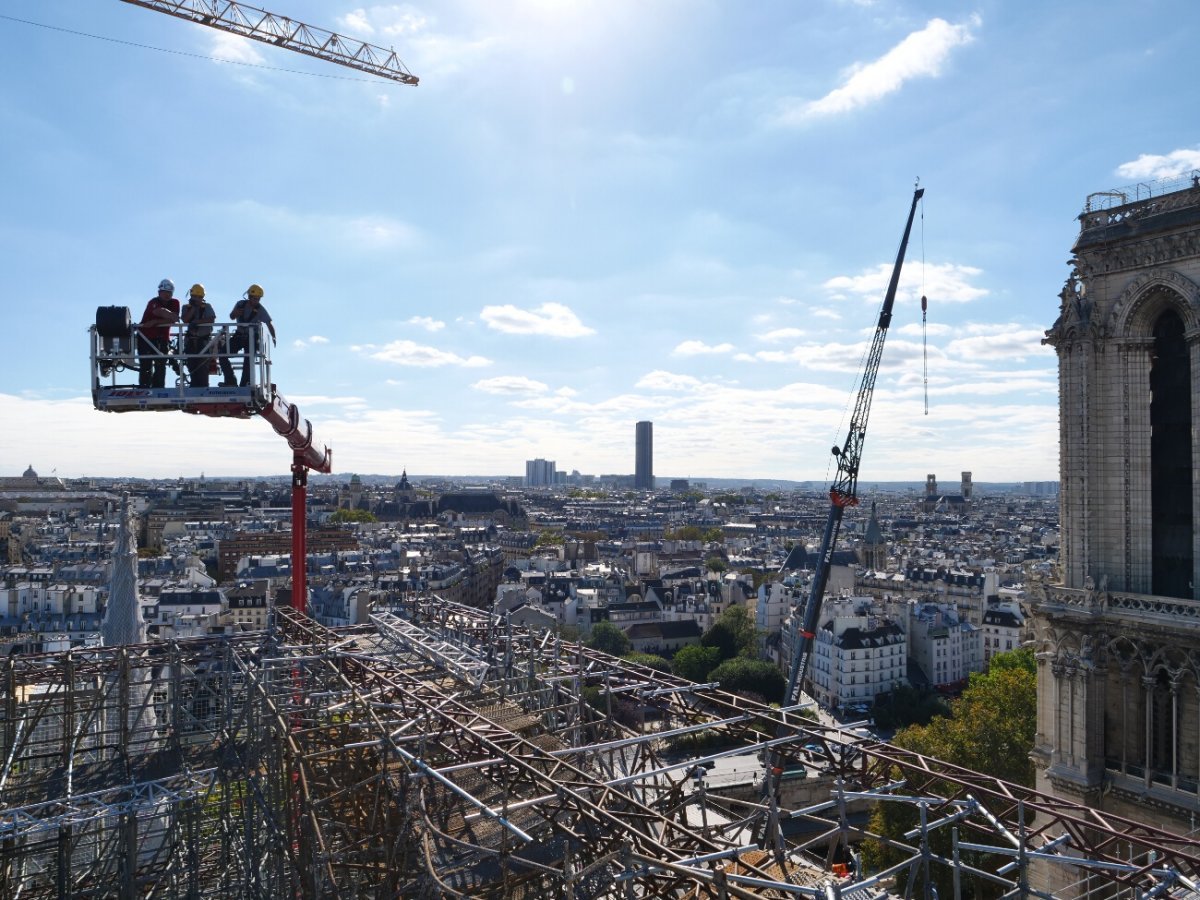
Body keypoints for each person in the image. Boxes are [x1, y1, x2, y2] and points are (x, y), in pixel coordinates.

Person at [228, 283, 276, 387]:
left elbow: (269, 323)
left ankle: (244, 384)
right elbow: (231, 316)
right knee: (223, 354)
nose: (256, 301)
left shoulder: (260, 309)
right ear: (249, 297)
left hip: (252, 338)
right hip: (239, 335)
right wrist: (235, 313)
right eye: (255, 298)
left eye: (258, 299)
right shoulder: (240, 304)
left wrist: (273, 336)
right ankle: (230, 380)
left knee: (249, 360)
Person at [138, 278, 180, 388]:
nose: (167, 295)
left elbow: (174, 318)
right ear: (159, 292)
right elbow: (161, 312)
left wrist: (155, 321)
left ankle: (159, 389)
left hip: (162, 339)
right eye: (165, 292)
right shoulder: (153, 302)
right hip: (146, 338)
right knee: (146, 365)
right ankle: (144, 388)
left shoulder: (175, 302)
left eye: (169, 293)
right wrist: (167, 318)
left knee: (161, 364)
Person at [180, 283, 217, 387]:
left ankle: (203, 388)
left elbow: (211, 319)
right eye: (194, 297)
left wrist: (198, 322)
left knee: (202, 367)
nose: (197, 299)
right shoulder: (186, 307)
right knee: (192, 366)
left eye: (199, 297)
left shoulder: (207, 307)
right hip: (191, 341)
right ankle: (194, 386)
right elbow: (185, 319)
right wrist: (193, 308)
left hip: (203, 341)